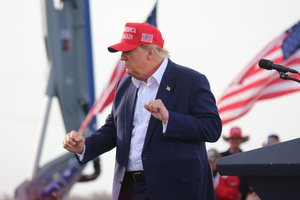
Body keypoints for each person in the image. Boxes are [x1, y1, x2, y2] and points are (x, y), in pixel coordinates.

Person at [63, 22, 222, 200]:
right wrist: (85, 146)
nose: (122, 57)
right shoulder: (124, 85)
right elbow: (114, 130)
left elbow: (212, 128)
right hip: (129, 189)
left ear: (150, 52)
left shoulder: (191, 80)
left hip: (175, 189)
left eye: (128, 51)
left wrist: (168, 118)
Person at [220, 126, 250, 200]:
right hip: (223, 196)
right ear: (229, 140)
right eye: (233, 138)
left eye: (237, 138)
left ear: (241, 140)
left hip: (242, 196)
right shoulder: (221, 157)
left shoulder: (247, 158)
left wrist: (242, 193)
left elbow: (247, 180)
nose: (235, 140)